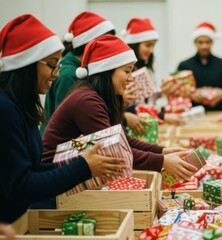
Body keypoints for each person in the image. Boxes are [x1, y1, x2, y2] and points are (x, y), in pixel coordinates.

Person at [0, 14, 126, 223]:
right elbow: (22, 185)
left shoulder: (22, 108)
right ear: (27, 65)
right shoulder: (5, 110)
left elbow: (35, 169)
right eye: (51, 65)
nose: (56, 74)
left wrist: (80, 164)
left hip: (18, 222)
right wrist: (83, 167)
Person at [42, 35, 197, 180]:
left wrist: (162, 151)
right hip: (52, 180)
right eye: (127, 71)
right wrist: (162, 161)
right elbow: (115, 150)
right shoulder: (86, 101)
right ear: (107, 71)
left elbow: (123, 140)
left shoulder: (101, 97)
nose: (131, 79)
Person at [41, 11, 116, 134]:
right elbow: (67, 124)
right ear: (89, 44)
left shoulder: (84, 69)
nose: (110, 49)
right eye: (105, 43)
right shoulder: (68, 75)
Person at [123, 17, 185, 129]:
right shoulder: (126, 71)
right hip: (133, 126)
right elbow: (135, 106)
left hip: (148, 123)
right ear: (135, 44)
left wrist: (163, 92)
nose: (151, 50)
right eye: (148, 45)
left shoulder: (147, 68)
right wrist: (163, 116)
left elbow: (147, 99)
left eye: (153, 45)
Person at [176, 22, 222, 111]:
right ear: (195, 43)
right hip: (191, 115)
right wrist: (191, 95)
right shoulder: (184, 65)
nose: (204, 46)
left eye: (207, 42)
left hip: (217, 115)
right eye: (200, 42)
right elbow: (176, 92)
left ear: (212, 42)